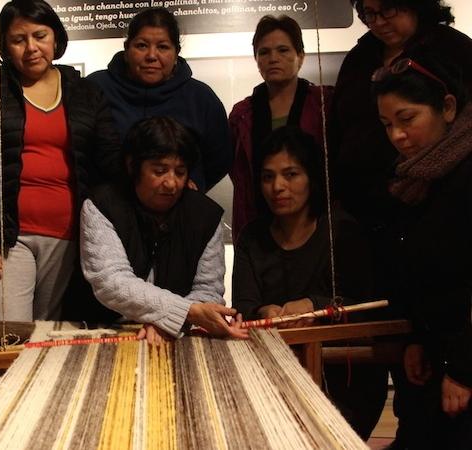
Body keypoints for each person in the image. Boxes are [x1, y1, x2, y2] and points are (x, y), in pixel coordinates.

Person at [0, 0, 120, 323]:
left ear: (55, 38)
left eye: (40, 36)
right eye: (18, 39)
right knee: (9, 336)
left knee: (48, 337)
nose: (31, 48)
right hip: (8, 239)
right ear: (4, 46)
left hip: (69, 236)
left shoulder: (86, 92)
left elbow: (108, 161)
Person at [231, 126, 386, 438]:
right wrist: (264, 313)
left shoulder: (342, 232)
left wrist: (313, 306)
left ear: (312, 177)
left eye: (291, 174)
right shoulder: (252, 237)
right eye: (267, 177)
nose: (278, 187)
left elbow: (366, 305)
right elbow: (243, 307)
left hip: (346, 378)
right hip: (273, 376)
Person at [330, 0, 472, 308]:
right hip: (368, 213)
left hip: (437, 199)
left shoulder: (454, 49)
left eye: (388, 9)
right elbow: (339, 129)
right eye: (369, 13)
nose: (378, 21)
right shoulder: (359, 59)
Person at [374, 55, 472, 448]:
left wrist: (464, 370)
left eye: (407, 119)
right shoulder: (416, 182)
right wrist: (414, 338)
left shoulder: (463, 176)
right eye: (387, 126)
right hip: (435, 353)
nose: (397, 135)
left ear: (447, 108)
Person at [80, 116, 246, 344]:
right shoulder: (102, 205)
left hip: (179, 336)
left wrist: (166, 322)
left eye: (180, 172)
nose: (171, 183)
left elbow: (208, 291)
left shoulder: (205, 215)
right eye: (159, 171)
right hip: (104, 332)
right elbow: (112, 281)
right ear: (132, 166)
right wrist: (184, 312)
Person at [87, 7, 231, 192]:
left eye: (162, 47)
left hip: (178, 208)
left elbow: (220, 159)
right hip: (107, 209)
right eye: (142, 45)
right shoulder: (95, 88)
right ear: (126, 49)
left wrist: (184, 182)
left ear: (176, 52)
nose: (151, 56)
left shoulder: (201, 98)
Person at [229, 15, 332, 240]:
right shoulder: (241, 114)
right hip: (258, 223)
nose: (273, 58)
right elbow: (241, 177)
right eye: (264, 52)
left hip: (317, 224)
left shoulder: (325, 103)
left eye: (283, 50)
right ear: (256, 59)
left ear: (300, 56)